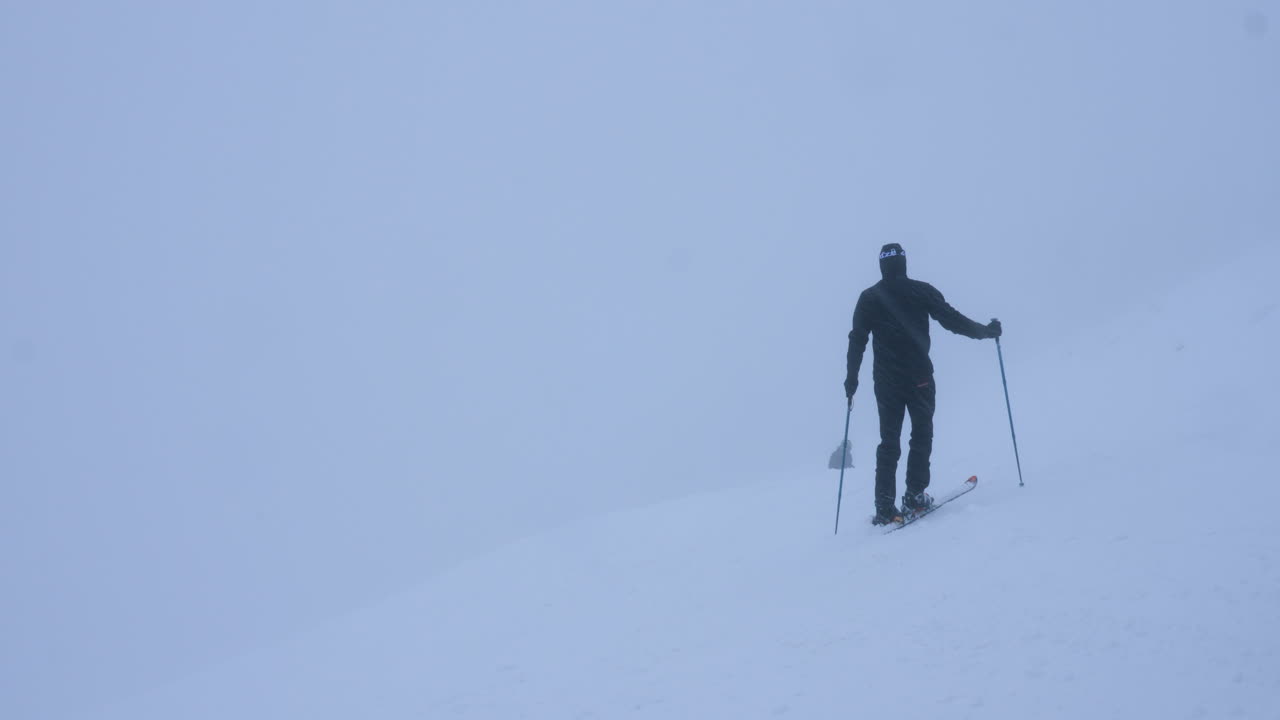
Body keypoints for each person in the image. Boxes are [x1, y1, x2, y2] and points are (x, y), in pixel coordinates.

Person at [844, 243, 1001, 525]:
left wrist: (851, 380)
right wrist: (985, 332)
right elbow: (952, 320)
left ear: (882, 266)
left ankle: (884, 507)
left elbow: (857, 340)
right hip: (919, 378)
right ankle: (915, 494)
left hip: (886, 381)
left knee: (888, 442)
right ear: (904, 264)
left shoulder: (869, 298)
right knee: (921, 434)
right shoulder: (921, 290)